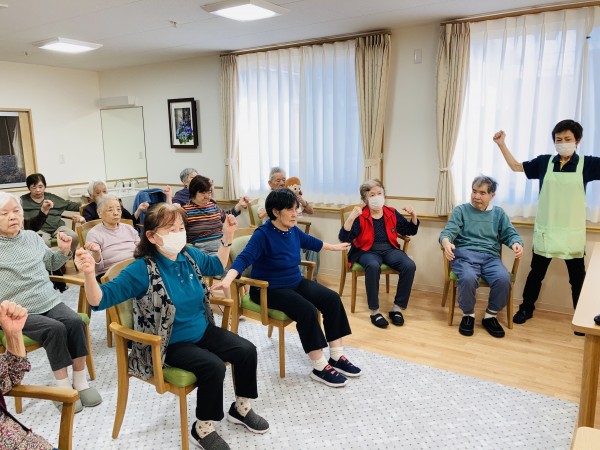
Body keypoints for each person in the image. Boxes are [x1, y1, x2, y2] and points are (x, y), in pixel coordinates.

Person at [76, 203, 268, 449]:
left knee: (246, 350)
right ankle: (202, 428)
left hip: (201, 329)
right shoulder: (141, 270)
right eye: (170, 229)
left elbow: (217, 266)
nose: (178, 234)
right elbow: (99, 300)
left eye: (180, 228)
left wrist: (227, 236)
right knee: (213, 366)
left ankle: (240, 408)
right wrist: (89, 274)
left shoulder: (189, 255)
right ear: (151, 236)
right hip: (168, 342)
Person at [213, 188, 361, 388]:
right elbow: (243, 259)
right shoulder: (262, 234)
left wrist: (334, 247)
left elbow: (313, 242)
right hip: (268, 289)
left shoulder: (292, 230)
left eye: (296, 209)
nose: (295, 213)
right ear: (275, 212)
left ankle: (336, 356)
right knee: (307, 310)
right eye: (290, 209)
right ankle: (319, 367)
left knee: (332, 299)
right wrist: (228, 279)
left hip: (294, 282)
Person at [0, 191, 102, 413]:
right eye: (4, 214)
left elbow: (51, 263)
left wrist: (64, 251)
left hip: (48, 300)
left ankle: (80, 382)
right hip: (16, 312)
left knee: (75, 322)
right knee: (54, 329)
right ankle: (63, 388)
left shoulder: (31, 237)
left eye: (16, 211)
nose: (12, 217)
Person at [493, 120, 600, 329]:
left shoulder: (587, 164)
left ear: (577, 141)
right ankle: (526, 309)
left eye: (567, 139)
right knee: (536, 274)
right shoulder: (544, 162)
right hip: (547, 230)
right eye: (558, 139)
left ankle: (581, 319)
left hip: (571, 233)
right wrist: (501, 144)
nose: (563, 143)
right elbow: (516, 167)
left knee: (577, 278)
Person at [439, 176, 524, 338]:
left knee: (503, 279)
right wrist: (446, 242)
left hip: (490, 258)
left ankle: (490, 316)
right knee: (468, 278)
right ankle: (468, 315)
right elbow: (447, 232)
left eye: (482, 193)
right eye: (474, 191)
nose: (476, 196)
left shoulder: (498, 213)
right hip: (465, 256)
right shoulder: (461, 211)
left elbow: (510, 234)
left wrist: (516, 243)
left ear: (492, 195)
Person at [338, 179, 419, 329]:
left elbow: (409, 230)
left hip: (390, 249)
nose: (377, 197)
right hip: (366, 250)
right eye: (372, 194)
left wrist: (413, 215)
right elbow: (344, 238)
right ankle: (374, 311)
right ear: (365, 199)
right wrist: (351, 218)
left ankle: (397, 309)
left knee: (409, 265)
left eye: (380, 193)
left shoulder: (391, 212)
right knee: (373, 266)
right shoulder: (360, 215)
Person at [0, 300, 55, 450]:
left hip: (26, 441)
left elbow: (8, 378)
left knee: (70, 323)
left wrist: (14, 334)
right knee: (56, 328)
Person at [183, 175, 250, 253]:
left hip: (223, 245)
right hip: (202, 251)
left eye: (209, 192)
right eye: (203, 193)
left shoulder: (213, 206)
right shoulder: (184, 211)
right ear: (193, 192)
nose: (207, 197)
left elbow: (227, 216)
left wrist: (239, 205)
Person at [20, 173, 84, 253]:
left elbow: (69, 205)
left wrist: (87, 206)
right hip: (39, 230)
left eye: (40, 186)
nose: (38, 190)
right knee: (43, 242)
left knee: (73, 237)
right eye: (34, 187)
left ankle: (66, 256)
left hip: (58, 228)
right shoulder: (22, 201)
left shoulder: (52, 197)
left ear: (45, 186)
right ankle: (49, 260)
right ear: (29, 188)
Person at [84, 194, 140, 278]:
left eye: (118, 209)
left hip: (135, 267)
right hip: (112, 274)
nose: (116, 213)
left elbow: (142, 251)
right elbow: (96, 269)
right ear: (99, 213)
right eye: (110, 210)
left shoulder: (129, 228)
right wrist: (96, 253)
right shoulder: (94, 234)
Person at [82, 180, 148, 224]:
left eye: (104, 191)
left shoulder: (115, 204)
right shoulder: (88, 210)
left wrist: (139, 210)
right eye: (98, 193)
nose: (102, 195)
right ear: (91, 196)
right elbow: (89, 229)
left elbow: (131, 221)